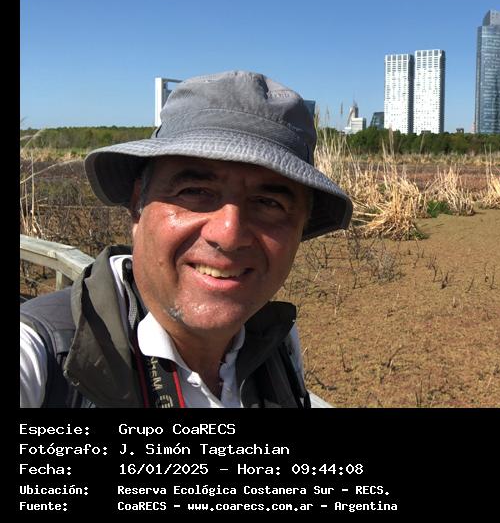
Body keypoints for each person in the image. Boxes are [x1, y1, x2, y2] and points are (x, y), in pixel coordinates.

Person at [19, 70, 352, 408]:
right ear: (137, 205)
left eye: (268, 203)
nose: (229, 235)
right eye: (195, 191)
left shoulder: (276, 343)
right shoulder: (42, 356)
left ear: (300, 227)